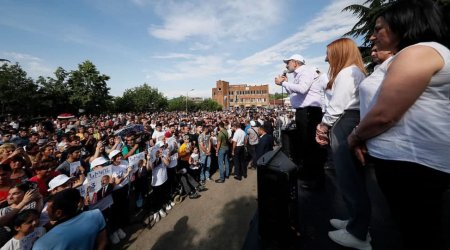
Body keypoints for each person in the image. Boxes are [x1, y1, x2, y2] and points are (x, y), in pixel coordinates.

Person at [347, 1, 450, 249]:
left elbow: (385, 114)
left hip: (412, 167)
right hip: (408, 164)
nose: (372, 35)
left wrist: (355, 136)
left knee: (420, 235)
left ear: (404, 25)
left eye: (379, 28)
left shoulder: (419, 52)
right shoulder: (419, 53)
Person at [315, 37, 370, 250]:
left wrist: (322, 127)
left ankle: (358, 234)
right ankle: (356, 222)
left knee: (349, 179)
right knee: (352, 178)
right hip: (348, 121)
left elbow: (336, 107)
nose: (326, 59)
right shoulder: (354, 71)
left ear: (339, 53)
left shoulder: (347, 73)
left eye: (329, 54)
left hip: (344, 121)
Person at [275, 54, 327, 190]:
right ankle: (310, 175)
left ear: (295, 62)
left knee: (311, 145)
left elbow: (303, 89)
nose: (287, 65)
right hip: (304, 112)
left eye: (288, 62)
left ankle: (315, 179)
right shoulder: (299, 74)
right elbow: (295, 94)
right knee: (307, 145)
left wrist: (283, 83)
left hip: (309, 112)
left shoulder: (305, 71)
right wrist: (287, 84)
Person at [32, 189, 108, 250]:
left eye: (47, 210)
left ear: (58, 213)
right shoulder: (95, 214)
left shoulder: (41, 244)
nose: (46, 212)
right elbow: (103, 241)